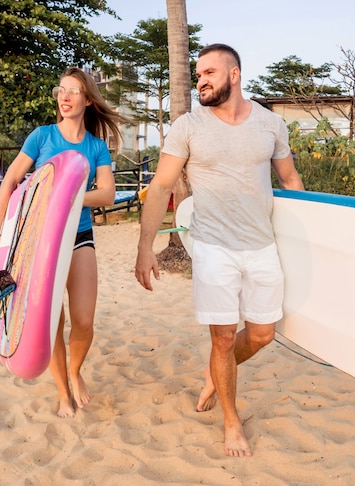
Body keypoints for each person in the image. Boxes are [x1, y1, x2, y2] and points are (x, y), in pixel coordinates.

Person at [135, 44, 304, 457]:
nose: (201, 80)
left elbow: (291, 180)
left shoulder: (271, 124)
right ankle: (232, 421)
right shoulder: (188, 126)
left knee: (263, 334)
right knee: (224, 338)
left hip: (262, 243)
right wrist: (146, 245)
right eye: (198, 75)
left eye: (209, 72)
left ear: (235, 74)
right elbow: (160, 187)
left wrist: (314, 237)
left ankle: (215, 374)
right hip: (212, 245)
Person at [0, 67, 130, 418]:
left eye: (74, 91)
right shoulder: (42, 136)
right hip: (37, 239)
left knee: (83, 320)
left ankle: (75, 370)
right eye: (61, 90)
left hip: (79, 235)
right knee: (53, 319)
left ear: (87, 99)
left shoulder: (95, 146)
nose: (65, 97)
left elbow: (108, 194)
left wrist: (63, 195)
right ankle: (63, 392)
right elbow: (10, 181)